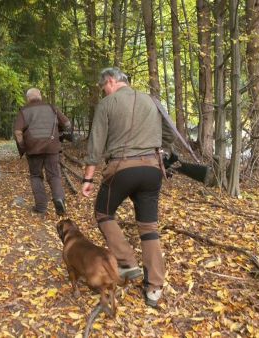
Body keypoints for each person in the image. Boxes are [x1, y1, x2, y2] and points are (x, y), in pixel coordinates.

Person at [81, 67, 175, 308]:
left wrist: (88, 179)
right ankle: (154, 288)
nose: (104, 92)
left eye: (104, 87)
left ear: (111, 81)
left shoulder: (107, 104)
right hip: (152, 170)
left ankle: (127, 262)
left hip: (121, 169)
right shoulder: (152, 100)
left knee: (103, 212)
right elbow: (169, 135)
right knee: (148, 227)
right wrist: (154, 147)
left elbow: (96, 143)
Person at [14, 88, 71, 216]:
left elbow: (18, 132)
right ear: (39, 95)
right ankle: (58, 199)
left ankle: (41, 207)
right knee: (54, 175)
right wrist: (61, 135)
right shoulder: (51, 107)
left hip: (33, 148)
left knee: (36, 176)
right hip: (52, 147)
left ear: (27, 98)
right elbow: (67, 123)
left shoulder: (24, 111)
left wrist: (23, 146)